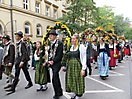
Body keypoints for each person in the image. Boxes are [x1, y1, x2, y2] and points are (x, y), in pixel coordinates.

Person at [62, 34, 87, 99]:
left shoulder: (81, 47)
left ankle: (78, 94)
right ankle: (74, 92)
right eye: (72, 39)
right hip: (70, 66)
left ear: (77, 39)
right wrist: (64, 65)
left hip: (78, 66)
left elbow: (84, 58)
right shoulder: (71, 47)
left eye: (74, 39)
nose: (72, 40)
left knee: (77, 79)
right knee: (72, 79)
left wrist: (83, 69)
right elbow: (66, 56)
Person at [44, 29, 63, 99]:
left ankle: (56, 93)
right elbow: (49, 53)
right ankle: (60, 91)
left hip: (57, 63)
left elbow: (60, 55)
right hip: (51, 62)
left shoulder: (59, 43)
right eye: (49, 35)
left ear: (55, 36)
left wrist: (53, 61)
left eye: (51, 35)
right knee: (56, 77)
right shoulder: (49, 43)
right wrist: (48, 60)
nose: (50, 37)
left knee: (54, 77)